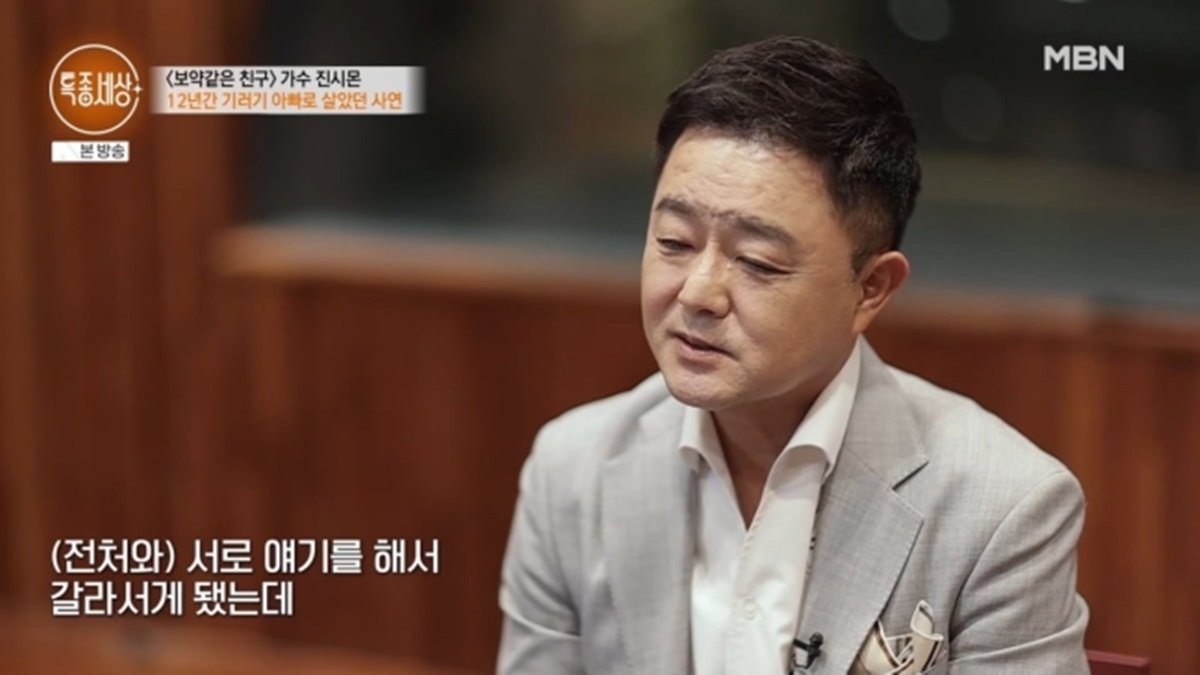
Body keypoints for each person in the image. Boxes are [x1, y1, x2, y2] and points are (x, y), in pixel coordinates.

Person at [496, 36, 1089, 675]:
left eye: (757, 262)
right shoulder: (571, 469)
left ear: (870, 288)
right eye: (674, 242)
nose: (698, 294)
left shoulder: (1003, 508)